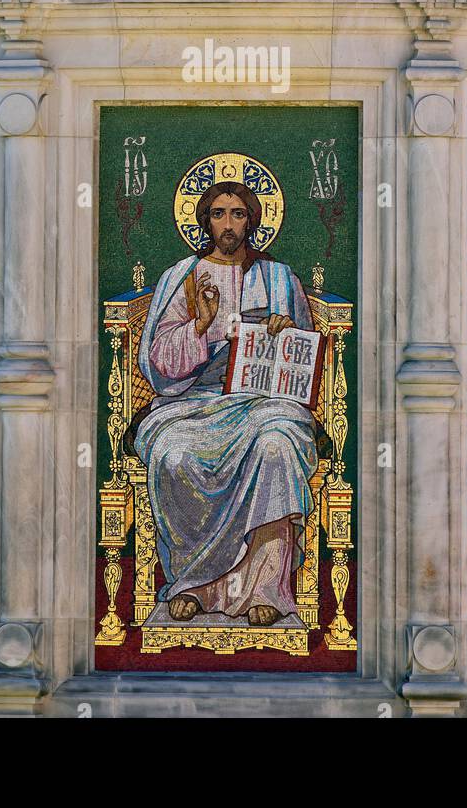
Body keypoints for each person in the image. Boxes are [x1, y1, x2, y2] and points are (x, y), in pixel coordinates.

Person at [135, 181, 317, 627]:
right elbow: (157, 362)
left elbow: (305, 356)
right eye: (219, 213)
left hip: (264, 401)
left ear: (252, 220)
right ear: (205, 220)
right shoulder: (183, 276)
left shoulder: (279, 278)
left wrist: (285, 329)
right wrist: (199, 326)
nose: (229, 224)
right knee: (173, 456)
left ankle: (265, 588)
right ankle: (194, 585)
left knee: (276, 446)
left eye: (238, 214)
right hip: (192, 402)